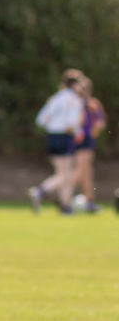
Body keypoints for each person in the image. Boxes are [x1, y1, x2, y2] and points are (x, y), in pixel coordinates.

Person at [30, 69, 86, 215]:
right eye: (80, 84)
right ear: (74, 85)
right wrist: (78, 132)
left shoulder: (55, 98)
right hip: (64, 136)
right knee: (65, 174)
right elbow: (71, 122)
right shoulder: (74, 100)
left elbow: (41, 120)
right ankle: (41, 191)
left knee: (62, 172)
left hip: (51, 136)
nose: (81, 87)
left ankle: (65, 206)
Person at [72, 76, 106, 213]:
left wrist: (94, 130)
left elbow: (100, 122)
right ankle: (63, 193)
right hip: (76, 139)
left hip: (87, 140)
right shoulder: (75, 104)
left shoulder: (93, 104)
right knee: (82, 169)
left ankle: (90, 200)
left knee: (87, 171)